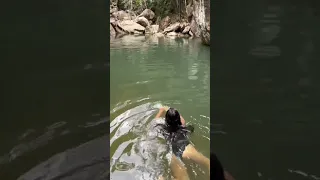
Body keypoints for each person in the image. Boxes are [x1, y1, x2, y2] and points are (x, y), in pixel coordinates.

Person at [155, 106, 210, 180]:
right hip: (187, 149)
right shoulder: (183, 125)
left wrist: (160, 111)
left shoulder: (161, 128)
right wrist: (166, 108)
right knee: (208, 163)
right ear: (178, 120)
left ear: (166, 120)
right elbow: (177, 115)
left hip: (175, 153)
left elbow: (155, 121)